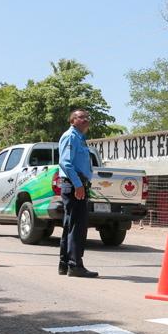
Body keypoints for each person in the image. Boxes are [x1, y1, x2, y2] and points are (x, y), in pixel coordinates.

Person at [58, 109, 98, 277]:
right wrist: (78, 185)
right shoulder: (71, 136)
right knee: (77, 226)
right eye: (81, 117)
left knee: (70, 225)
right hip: (74, 185)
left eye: (86, 118)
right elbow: (65, 163)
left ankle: (65, 264)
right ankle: (75, 265)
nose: (85, 120)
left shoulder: (80, 139)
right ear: (72, 120)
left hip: (77, 184)